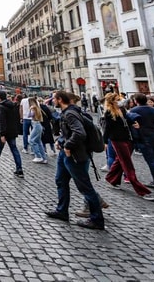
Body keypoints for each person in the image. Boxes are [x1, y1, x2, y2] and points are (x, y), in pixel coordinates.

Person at [45, 90, 105, 230]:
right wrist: (61, 141)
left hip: (75, 155)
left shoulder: (70, 113)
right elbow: (70, 132)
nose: (52, 101)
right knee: (60, 180)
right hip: (66, 154)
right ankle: (62, 211)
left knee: (85, 187)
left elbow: (79, 133)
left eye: (54, 99)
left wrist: (68, 145)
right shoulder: (69, 112)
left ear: (60, 99)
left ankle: (97, 219)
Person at [102, 93, 154, 200]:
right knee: (127, 164)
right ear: (112, 102)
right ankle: (141, 191)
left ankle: (111, 178)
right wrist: (105, 142)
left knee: (119, 160)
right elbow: (107, 128)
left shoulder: (122, 109)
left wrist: (135, 123)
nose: (120, 101)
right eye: (118, 99)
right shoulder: (108, 113)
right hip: (117, 140)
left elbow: (127, 119)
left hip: (128, 138)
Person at [28, 97, 48, 164]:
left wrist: (30, 110)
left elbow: (30, 115)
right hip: (38, 124)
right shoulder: (37, 107)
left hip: (36, 124)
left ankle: (38, 156)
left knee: (31, 140)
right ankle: (44, 158)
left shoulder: (33, 107)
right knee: (39, 142)